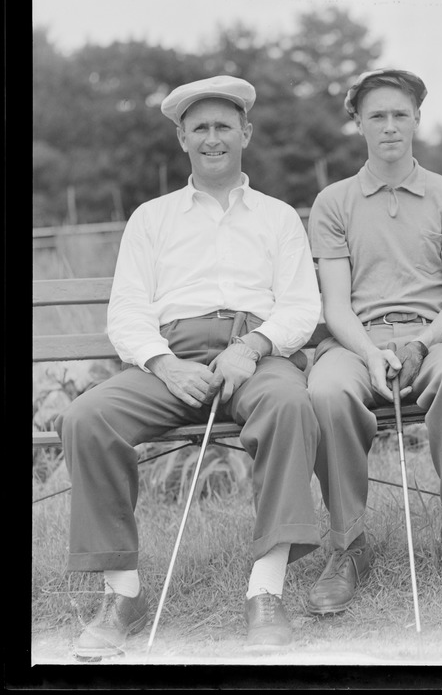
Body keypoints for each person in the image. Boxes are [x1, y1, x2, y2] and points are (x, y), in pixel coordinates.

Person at [54, 75, 324, 656]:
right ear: (181, 139)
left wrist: (251, 347)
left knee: (288, 404)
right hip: (171, 358)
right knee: (85, 419)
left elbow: (302, 307)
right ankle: (122, 594)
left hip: (256, 353)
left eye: (224, 126)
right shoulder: (151, 218)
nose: (213, 138)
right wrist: (165, 364)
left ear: (245, 133)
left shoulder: (278, 217)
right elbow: (126, 312)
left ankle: (266, 592)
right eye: (199, 128)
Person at [305, 68, 442, 614]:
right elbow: (335, 305)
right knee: (325, 392)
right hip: (356, 342)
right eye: (377, 116)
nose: (390, 126)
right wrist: (368, 352)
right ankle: (348, 545)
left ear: (417, 120)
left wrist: (421, 345)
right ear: (359, 125)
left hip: (437, 338)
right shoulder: (333, 202)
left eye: (400, 115)